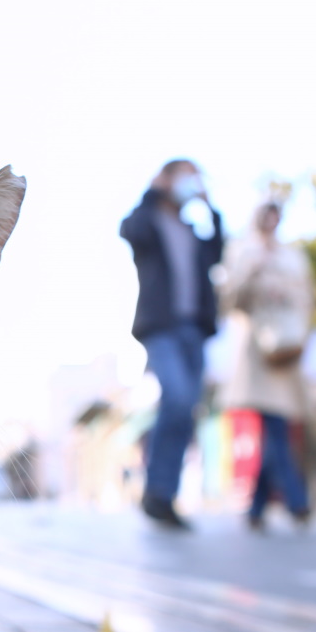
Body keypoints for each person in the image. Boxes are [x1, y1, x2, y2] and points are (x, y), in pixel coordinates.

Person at [120, 159, 224, 529]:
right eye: (183, 177)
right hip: (160, 327)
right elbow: (129, 230)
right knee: (177, 397)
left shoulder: (192, 229)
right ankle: (157, 490)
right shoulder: (148, 221)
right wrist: (154, 191)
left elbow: (217, 252)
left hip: (194, 328)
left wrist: (209, 206)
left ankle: (164, 496)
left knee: (187, 409)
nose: (189, 184)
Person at [219, 200, 313, 530]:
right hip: (257, 350)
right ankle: (296, 499)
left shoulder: (293, 256)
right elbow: (230, 300)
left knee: (276, 426)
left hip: (285, 348)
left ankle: (258, 508)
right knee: (275, 426)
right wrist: (254, 272)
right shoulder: (242, 251)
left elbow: (307, 298)